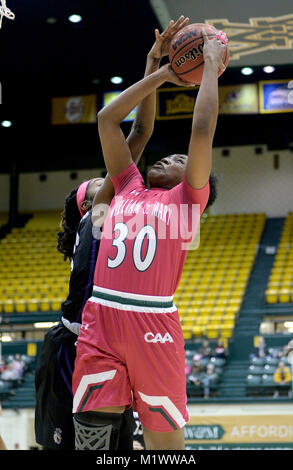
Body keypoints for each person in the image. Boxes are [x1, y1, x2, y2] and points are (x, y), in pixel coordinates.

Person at [34, 16, 191, 451]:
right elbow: (135, 136)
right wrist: (160, 74)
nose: (108, 179)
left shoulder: (122, 209)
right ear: (87, 204)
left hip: (107, 342)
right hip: (76, 344)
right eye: (96, 184)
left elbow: (139, 133)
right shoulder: (103, 213)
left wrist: (152, 68)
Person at [72, 24, 225, 450]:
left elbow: (201, 131)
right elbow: (108, 120)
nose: (169, 156)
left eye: (179, 160)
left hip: (151, 323)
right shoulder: (127, 185)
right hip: (100, 317)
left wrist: (209, 66)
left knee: (166, 452)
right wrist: (157, 69)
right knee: (93, 444)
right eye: (170, 154)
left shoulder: (186, 202)